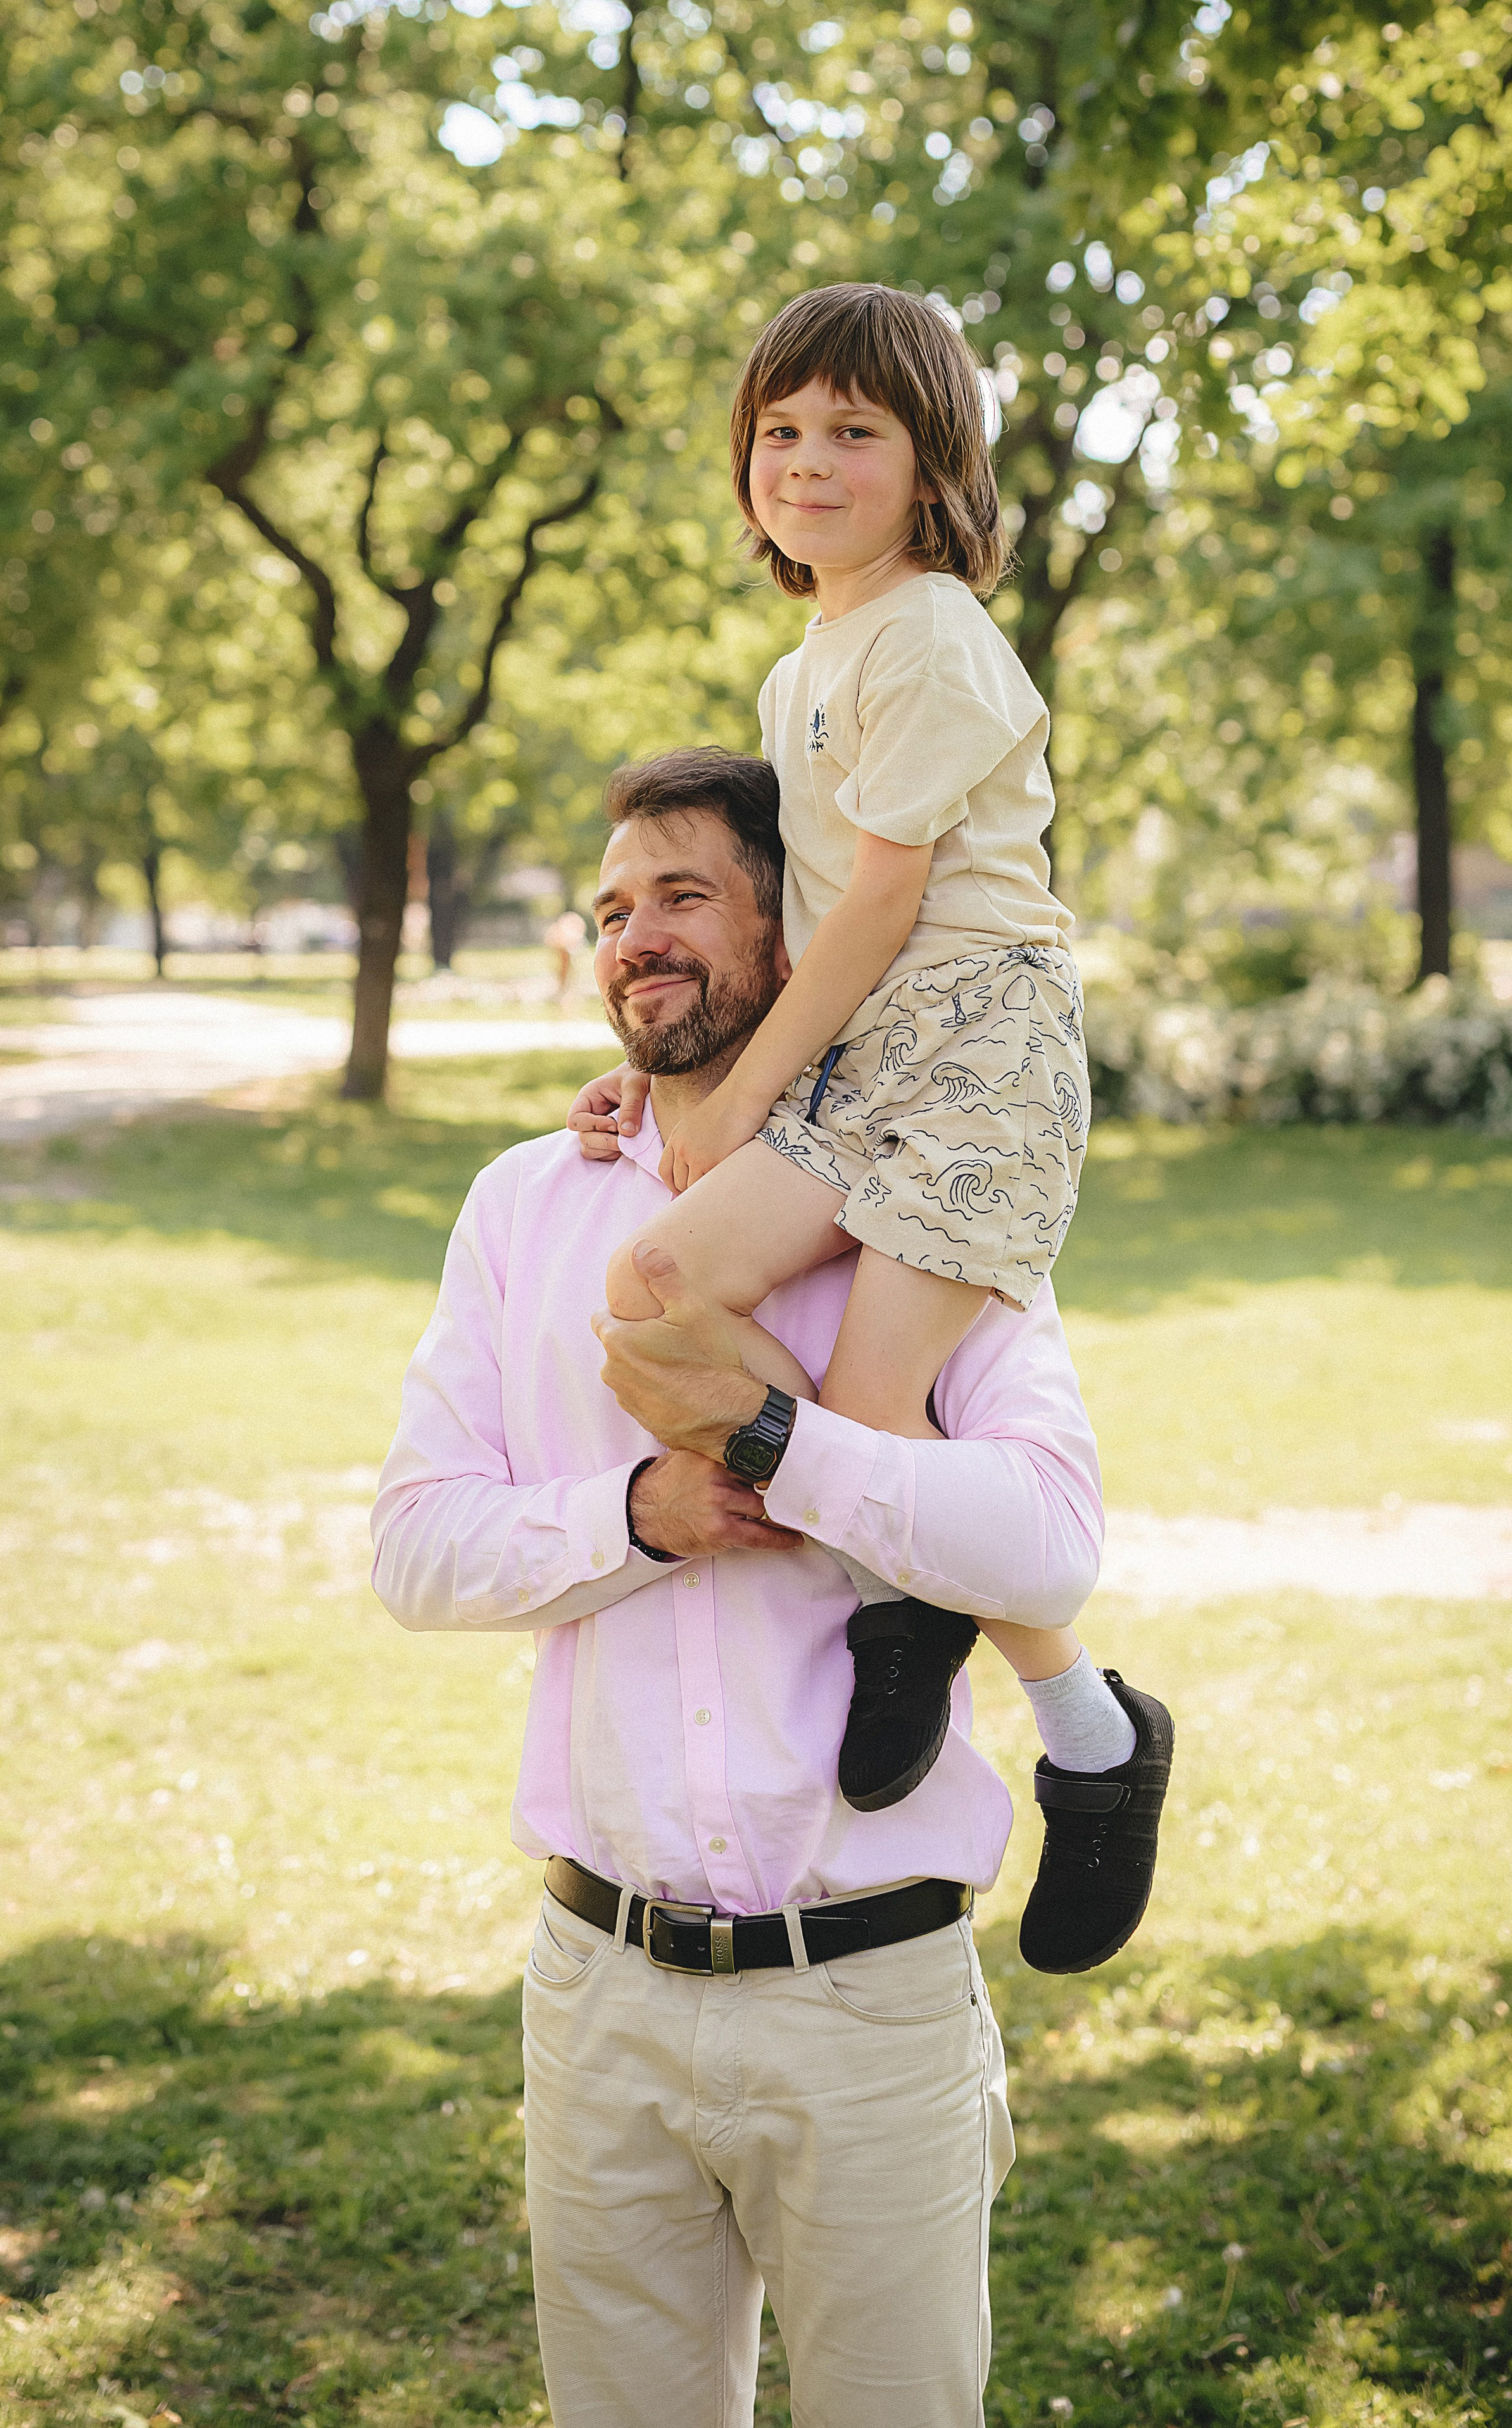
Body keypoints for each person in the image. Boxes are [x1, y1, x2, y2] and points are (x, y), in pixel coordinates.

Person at [372, 751, 1173, 2427]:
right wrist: (641, 1511)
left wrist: (776, 1446)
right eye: (608, 909)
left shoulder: (929, 1204)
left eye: (680, 895)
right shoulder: (525, 1207)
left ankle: (1095, 1730)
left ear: (792, 923)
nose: (633, 937)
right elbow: (418, 1549)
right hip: (600, 1997)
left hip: (867, 2004)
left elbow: (1049, 1539)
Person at [570, 284, 1171, 1844]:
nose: (808, 461)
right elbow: (794, 923)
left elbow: (888, 904)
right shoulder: (801, 669)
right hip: (860, 1052)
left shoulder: (935, 638)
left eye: (854, 430)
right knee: (656, 1291)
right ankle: (903, 1584)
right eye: (779, 431)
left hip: (976, 1048)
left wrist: (755, 1089)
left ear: (931, 467)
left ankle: (1084, 1731)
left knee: (870, 1404)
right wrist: (670, 1077)